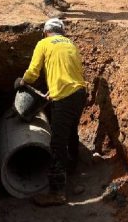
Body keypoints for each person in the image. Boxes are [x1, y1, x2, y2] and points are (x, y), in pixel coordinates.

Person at [16, 18, 87, 206]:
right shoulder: (70, 43)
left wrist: (22, 82)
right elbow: (69, 71)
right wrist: (54, 90)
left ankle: (57, 192)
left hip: (64, 98)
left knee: (57, 143)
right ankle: (72, 169)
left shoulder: (44, 43)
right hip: (79, 94)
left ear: (45, 32)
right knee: (71, 132)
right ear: (62, 32)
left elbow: (33, 72)